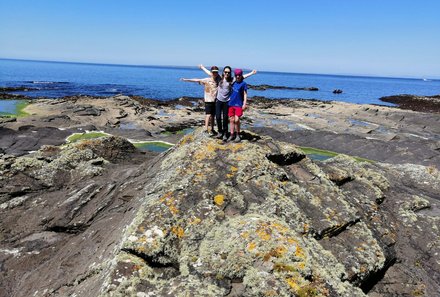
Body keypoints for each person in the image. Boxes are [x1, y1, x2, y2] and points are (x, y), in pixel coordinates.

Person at [199, 65, 256, 140]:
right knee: (218, 117)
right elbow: (210, 73)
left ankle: (225, 133)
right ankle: (220, 132)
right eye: (225, 72)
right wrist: (202, 68)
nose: (227, 73)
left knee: (225, 118)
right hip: (218, 101)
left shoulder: (232, 80)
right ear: (223, 72)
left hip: (227, 102)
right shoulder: (220, 78)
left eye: (228, 72)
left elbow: (242, 77)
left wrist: (251, 73)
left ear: (230, 73)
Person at [180, 66, 221, 135]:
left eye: (216, 72)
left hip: (215, 101)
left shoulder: (219, 79)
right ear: (211, 73)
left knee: (213, 116)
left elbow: (211, 73)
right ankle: (205, 129)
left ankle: (212, 129)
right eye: (213, 72)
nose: (215, 73)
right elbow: (196, 80)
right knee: (208, 115)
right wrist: (186, 79)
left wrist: (202, 67)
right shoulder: (207, 80)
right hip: (208, 101)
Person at [226, 68, 248, 142]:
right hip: (231, 103)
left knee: (237, 119)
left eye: (239, 75)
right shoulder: (233, 82)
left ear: (241, 75)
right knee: (231, 120)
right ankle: (232, 135)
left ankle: (238, 134)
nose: (238, 76)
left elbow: (245, 94)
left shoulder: (243, 84)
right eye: (236, 75)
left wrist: (244, 104)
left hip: (239, 104)